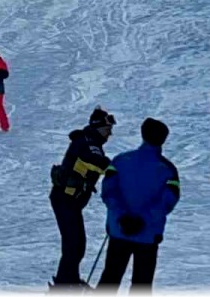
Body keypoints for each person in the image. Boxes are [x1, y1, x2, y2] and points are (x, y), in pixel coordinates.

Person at [98, 118, 179, 290]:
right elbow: (167, 201)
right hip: (148, 235)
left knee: (110, 278)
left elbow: (109, 192)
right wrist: (143, 220)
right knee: (142, 284)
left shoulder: (120, 161)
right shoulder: (168, 169)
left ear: (143, 135)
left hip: (119, 230)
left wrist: (122, 217)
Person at [50, 107, 115, 289]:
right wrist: (121, 170)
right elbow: (99, 164)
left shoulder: (90, 141)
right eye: (107, 129)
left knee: (77, 245)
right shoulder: (87, 144)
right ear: (98, 127)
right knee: (73, 245)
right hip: (65, 200)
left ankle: (69, 280)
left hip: (70, 201)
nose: (110, 134)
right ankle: (64, 285)